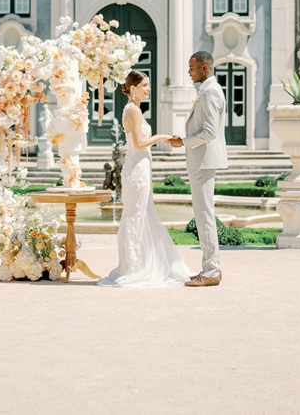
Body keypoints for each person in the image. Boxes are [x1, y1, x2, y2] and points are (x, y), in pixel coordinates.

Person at [97, 71, 192, 289]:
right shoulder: (133, 110)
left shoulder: (133, 109)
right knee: (135, 215)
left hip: (139, 167)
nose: (149, 89)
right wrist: (163, 136)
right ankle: (133, 267)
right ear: (133, 89)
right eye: (145, 85)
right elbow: (139, 143)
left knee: (140, 214)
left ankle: (138, 263)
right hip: (137, 169)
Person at [168, 50, 228, 287]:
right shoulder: (206, 90)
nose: (188, 72)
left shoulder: (210, 92)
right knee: (203, 215)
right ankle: (210, 268)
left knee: (204, 216)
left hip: (204, 160)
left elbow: (210, 132)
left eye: (192, 68)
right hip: (201, 159)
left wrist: (183, 141)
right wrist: (183, 139)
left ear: (205, 67)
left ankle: (212, 271)